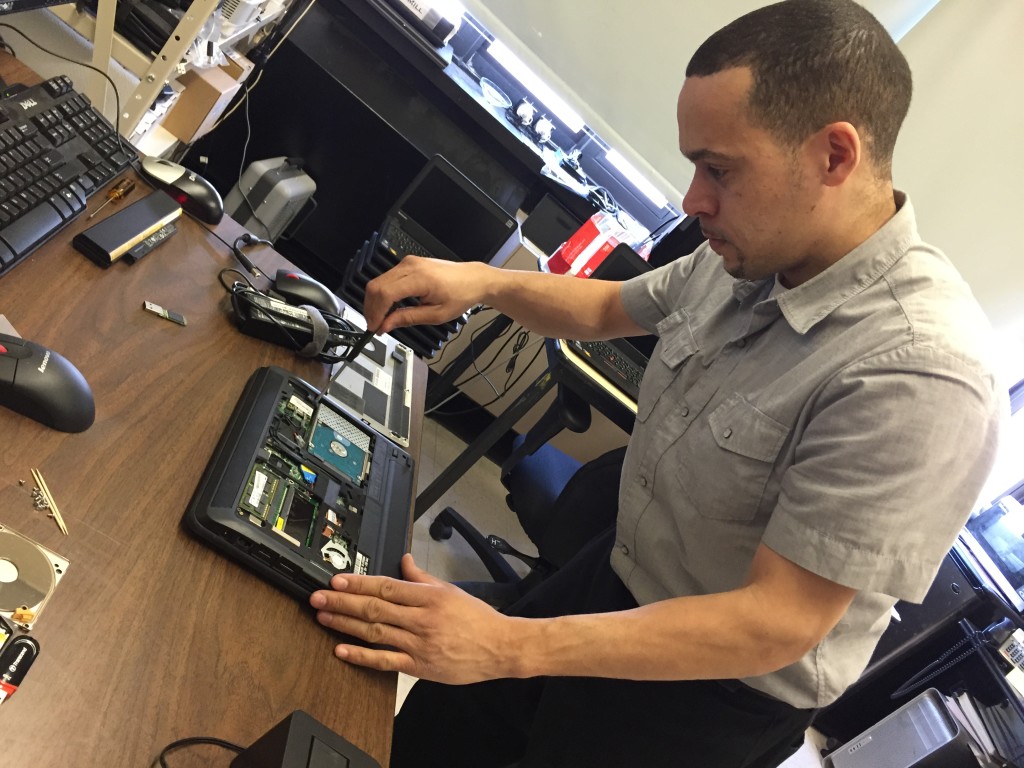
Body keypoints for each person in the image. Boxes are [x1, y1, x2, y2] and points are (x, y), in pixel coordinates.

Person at [309, 1, 1003, 765]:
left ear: (834, 157)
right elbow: (611, 305)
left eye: (720, 169)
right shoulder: (752, 248)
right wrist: (480, 281)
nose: (692, 200)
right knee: (430, 738)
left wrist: (511, 645)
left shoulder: (921, 372)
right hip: (612, 576)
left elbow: (775, 620)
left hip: (705, 694)